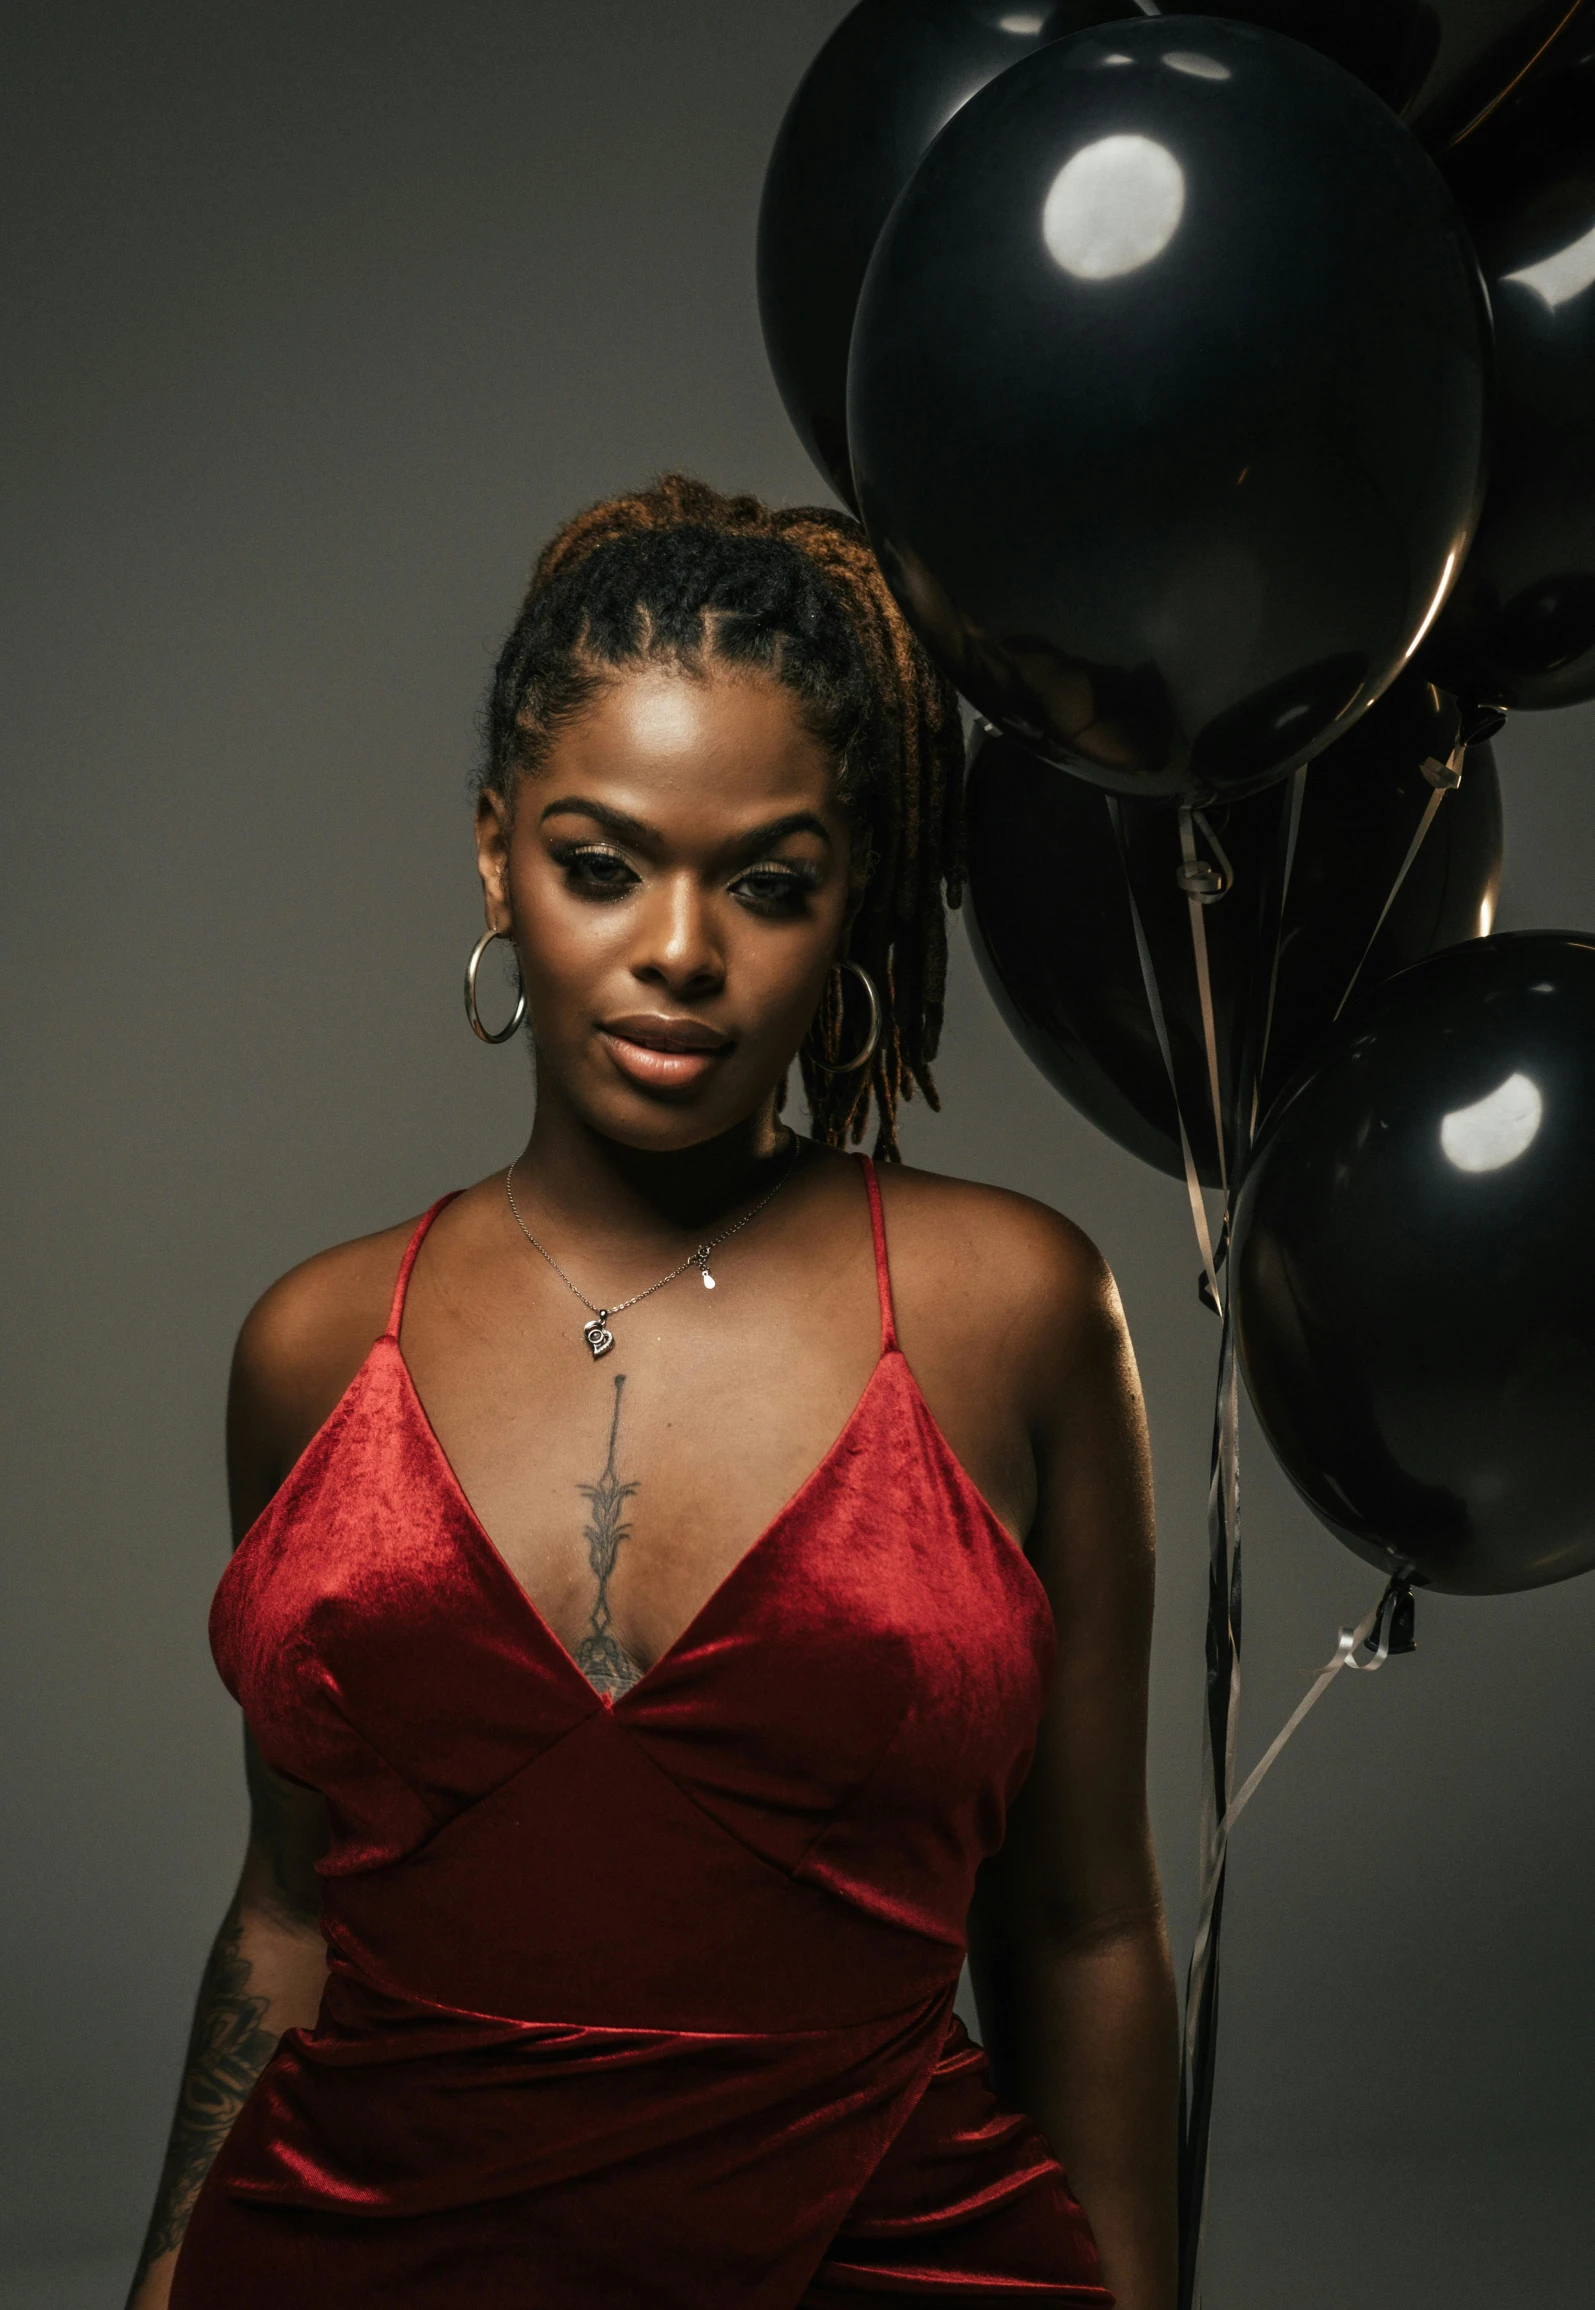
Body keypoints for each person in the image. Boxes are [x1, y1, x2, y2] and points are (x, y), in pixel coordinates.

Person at [127, 477, 1177, 2309]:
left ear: (854, 895)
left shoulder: (1014, 1307)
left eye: (767, 882)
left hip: (900, 2255)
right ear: (491, 854)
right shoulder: (310, 1346)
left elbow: (1082, 1924)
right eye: (599, 862)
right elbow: (289, 1910)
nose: (678, 949)